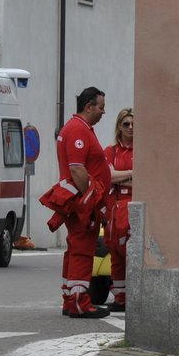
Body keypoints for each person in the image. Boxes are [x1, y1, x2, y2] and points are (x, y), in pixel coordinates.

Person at [45, 86, 112, 318]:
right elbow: (77, 169)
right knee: (83, 249)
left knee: (76, 248)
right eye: (101, 107)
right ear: (89, 106)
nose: (104, 112)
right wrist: (90, 200)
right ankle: (80, 301)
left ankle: (70, 297)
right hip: (82, 201)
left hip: (77, 199)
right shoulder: (78, 130)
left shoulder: (80, 128)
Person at [104, 107, 134, 313]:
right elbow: (108, 176)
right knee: (115, 251)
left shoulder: (144, 150)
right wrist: (131, 173)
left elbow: (146, 179)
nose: (131, 128)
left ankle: (134, 294)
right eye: (126, 124)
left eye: (134, 124)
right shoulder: (111, 151)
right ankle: (120, 297)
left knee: (130, 250)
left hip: (134, 204)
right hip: (114, 206)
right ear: (119, 126)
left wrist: (119, 177)